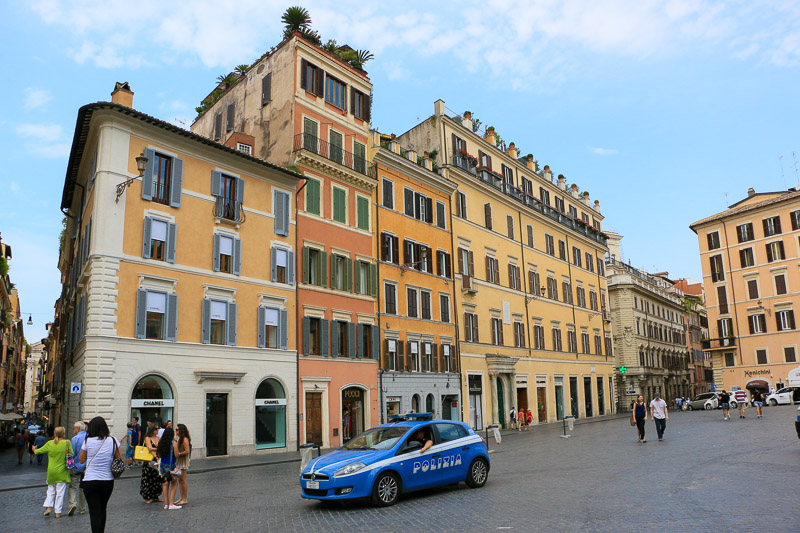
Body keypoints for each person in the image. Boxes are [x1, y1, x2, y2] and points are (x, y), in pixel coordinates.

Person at [79, 416, 121, 533]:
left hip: (90, 480)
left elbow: (81, 460)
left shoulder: (88, 441)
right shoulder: (112, 440)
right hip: (107, 480)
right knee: (102, 509)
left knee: (94, 511)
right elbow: (119, 458)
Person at [33, 426, 73, 517]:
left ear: (54, 434)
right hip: (62, 471)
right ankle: (58, 512)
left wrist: (34, 449)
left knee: (50, 490)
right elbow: (71, 454)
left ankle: (48, 507)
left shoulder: (50, 443)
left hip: (51, 471)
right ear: (63, 433)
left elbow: (37, 452)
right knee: (60, 492)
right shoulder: (67, 443)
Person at [157, 427, 182, 509]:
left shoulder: (161, 442)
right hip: (170, 466)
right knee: (174, 484)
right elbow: (176, 455)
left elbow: (159, 455)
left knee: (165, 484)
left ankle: (166, 504)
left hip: (163, 465)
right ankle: (171, 503)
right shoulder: (173, 444)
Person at [68, 421, 87, 516]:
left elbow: (71, 454)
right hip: (86, 467)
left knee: (73, 486)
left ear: (78, 429)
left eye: (74, 428)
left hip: (76, 466)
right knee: (83, 488)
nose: (73, 430)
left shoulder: (75, 439)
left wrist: (69, 466)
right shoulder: (89, 438)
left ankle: (72, 504)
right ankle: (82, 508)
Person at [139, 424, 162, 504]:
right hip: (149, 460)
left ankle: (156, 496)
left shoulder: (159, 438)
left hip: (158, 460)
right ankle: (147, 497)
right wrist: (155, 455)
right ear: (152, 429)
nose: (157, 430)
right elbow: (149, 449)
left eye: (158, 428)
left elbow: (162, 448)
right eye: (156, 429)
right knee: (148, 478)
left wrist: (154, 449)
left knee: (157, 478)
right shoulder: (147, 438)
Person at [175, 424, 192, 506]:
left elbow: (187, 451)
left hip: (183, 460)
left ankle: (184, 498)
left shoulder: (184, 439)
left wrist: (179, 453)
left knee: (183, 479)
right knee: (180, 480)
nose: (176, 431)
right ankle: (181, 497)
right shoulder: (179, 439)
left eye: (177, 429)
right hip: (179, 460)